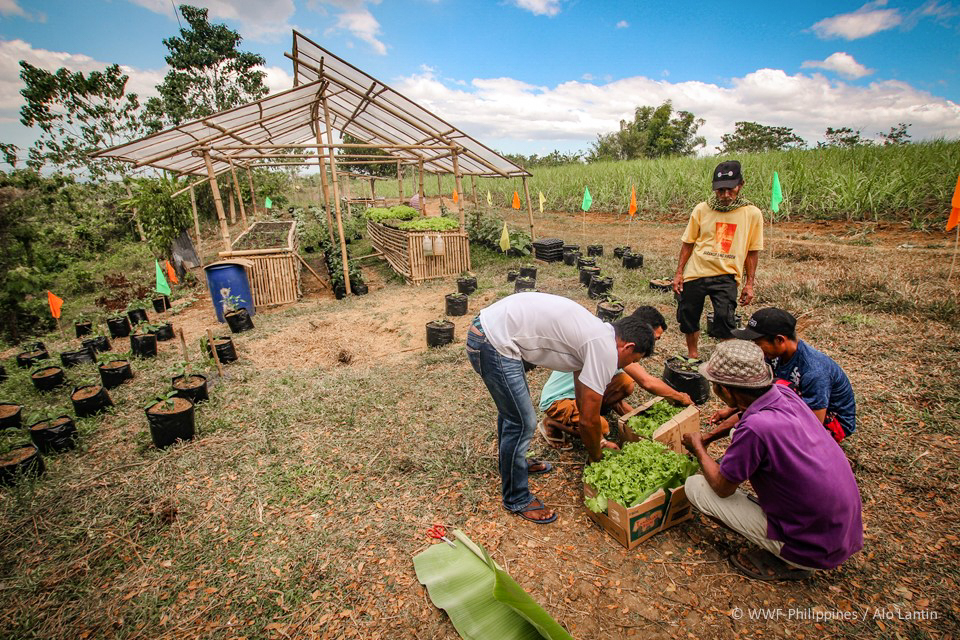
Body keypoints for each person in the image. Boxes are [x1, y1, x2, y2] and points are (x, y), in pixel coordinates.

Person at [466, 292, 655, 524]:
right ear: (628, 346)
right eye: (634, 360)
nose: (631, 365)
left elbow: (583, 400)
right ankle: (516, 498)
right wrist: (597, 457)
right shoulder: (604, 348)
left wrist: (597, 439)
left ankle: (514, 465)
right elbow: (589, 420)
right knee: (522, 422)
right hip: (492, 341)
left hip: (490, 330)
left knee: (513, 414)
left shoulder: (598, 334)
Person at [681, 340, 863, 581]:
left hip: (813, 546)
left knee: (696, 487)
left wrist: (698, 448)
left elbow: (722, 488)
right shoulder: (783, 393)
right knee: (737, 433)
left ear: (725, 391)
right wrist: (710, 437)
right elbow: (743, 416)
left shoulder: (756, 429)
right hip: (841, 529)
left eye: (714, 385)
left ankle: (789, 559)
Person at [537, 306, 692, 450]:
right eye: (655, 338)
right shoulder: (613, 346)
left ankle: (593, 411)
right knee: (601, 427)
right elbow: (647, 382)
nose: (653, 343)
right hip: (559, 398)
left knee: (625, 382)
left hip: (583, 392)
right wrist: (680, 397)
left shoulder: (618, 339)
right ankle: (551, 424)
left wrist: (635, 420)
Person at [710, 307, 857, 443]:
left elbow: (814, 425)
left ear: (779, 340)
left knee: (764, 431)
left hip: (831, 422)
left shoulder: (814, 371)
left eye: (757, 343)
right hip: (797, 405)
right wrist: (731, 410)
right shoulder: (773, 355)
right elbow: (757, 397)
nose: (755, 348)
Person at [672, 160, 764, 360]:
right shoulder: (702, 209)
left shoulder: (752, 214)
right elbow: (688, 243)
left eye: (730, 189)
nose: (725, 195)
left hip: (727, 274)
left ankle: (724, 360)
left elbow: (752, 251)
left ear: (741, 185)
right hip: (696, 272)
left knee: (725, 318)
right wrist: (679, 273)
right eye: (720, 190)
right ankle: (693, 355)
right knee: (688, 315)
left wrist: (749, 283)